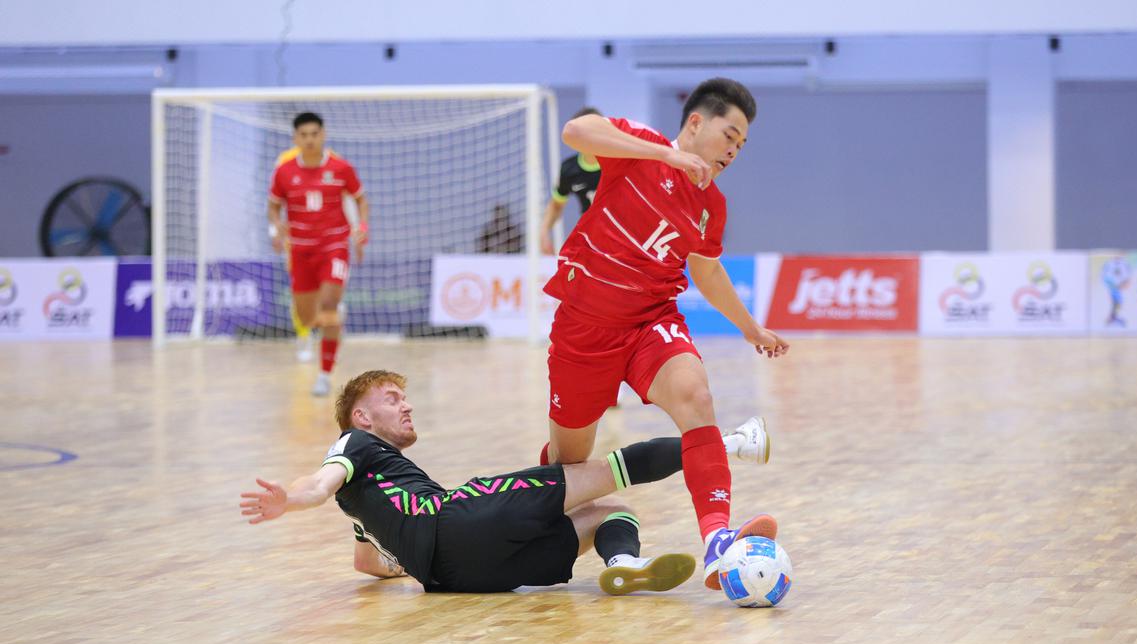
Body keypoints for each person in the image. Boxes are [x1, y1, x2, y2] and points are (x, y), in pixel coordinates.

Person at [540, 77, 790, 590]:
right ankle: (535, 519)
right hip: (585, 327)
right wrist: (666, 156)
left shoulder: (712, 206)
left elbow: (707, 272)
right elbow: (576, 130)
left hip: (652, 319)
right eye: (730, 135)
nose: (734, 150)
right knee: (568, 464)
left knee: (695, 395)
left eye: (742, 145)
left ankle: (718, 542)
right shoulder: (638, 149)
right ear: (696, 123)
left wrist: (749, 328)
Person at [240, 369, 712, 594]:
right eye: (392, 399)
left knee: (611, 516)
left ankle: (624, 563)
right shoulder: (353, 444)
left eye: (405, 398)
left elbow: (367, 561)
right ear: (361, 417)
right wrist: (293, 499)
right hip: (458, 519)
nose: (406, 405)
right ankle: (725, 444)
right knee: (605, 473)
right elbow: (320, 483)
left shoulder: (368, 500)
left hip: (458, 579)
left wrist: (405, 563)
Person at [268, 112, 369, 397]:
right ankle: (333, 318)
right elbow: (273, 206)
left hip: (333, 246)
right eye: (304, 135)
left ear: (323, 135)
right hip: (300, 250)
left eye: (315, 134)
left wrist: (361, 228)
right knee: (308, 317)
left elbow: (361, 200)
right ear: (295, 139)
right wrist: (276, 228)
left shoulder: (340, 168)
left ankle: (324, 375)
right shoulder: (284, 172)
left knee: (327, 306)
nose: (310, 139)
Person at [538, 106, 604, 256]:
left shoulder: (619, 162)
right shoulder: (569, 169)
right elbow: (556, 205)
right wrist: (544, 231)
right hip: (590, 238)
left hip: (622, 236)